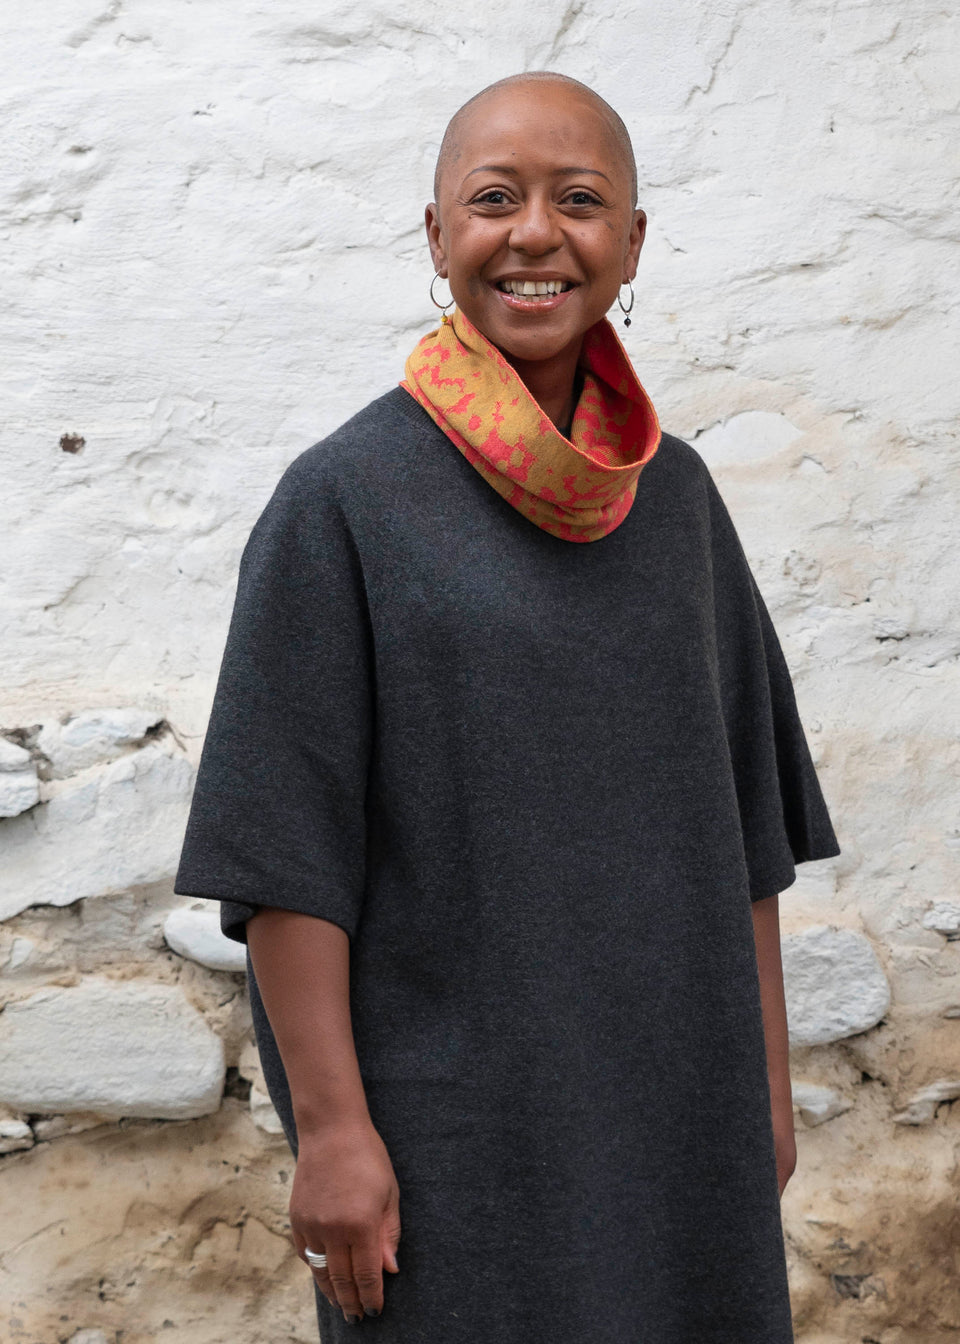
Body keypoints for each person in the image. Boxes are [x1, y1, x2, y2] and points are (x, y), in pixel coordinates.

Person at [174, 70, 841, 1342]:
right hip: (452, 1145)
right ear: (438, 238)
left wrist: (761, 1093)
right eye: (494, 199)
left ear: (632, 243)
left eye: (580, 200)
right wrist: (333, 1134)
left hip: (676, 1124)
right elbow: (286, 865)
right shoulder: (345, 502)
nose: (536, 233)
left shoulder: (680, 504)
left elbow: (744, 839)